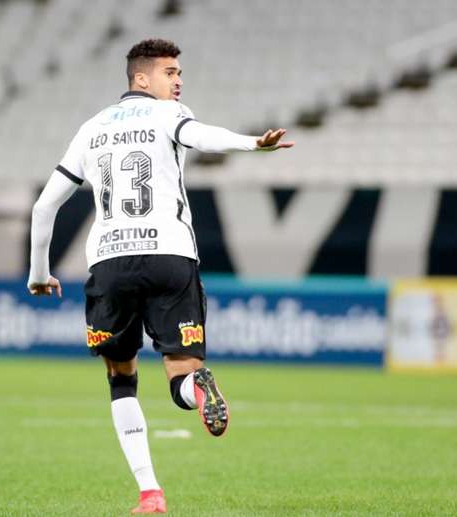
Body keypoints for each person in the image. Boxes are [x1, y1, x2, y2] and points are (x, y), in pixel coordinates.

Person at [27, 38, 293, 514]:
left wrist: (40, 272)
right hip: (170, 256)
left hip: (110, 262)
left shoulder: (91, 129)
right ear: (142, 78)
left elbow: (45, 205)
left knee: (120, 379)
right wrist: (251, 143)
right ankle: (198, 387)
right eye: (171, 73)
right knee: (181, 374)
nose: (179, 80)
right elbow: (203, 135)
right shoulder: (170, 115)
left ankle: (150, 492)